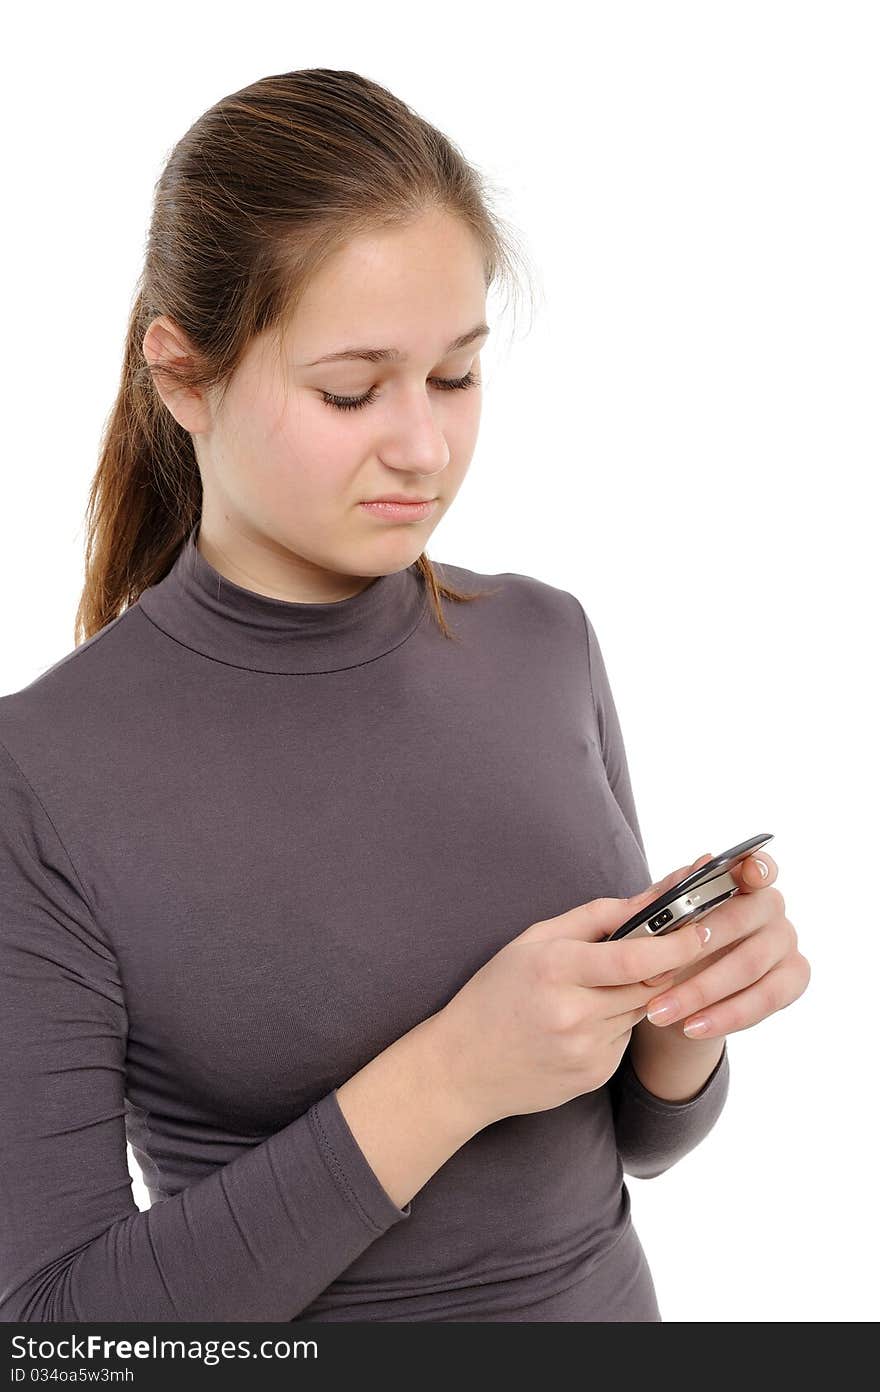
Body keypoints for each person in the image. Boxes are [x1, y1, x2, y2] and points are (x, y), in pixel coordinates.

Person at [0, 68, 809, 1323]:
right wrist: (451, 1073)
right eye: (349, 390)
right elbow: (58, 1335)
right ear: (182, 377)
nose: (423, 448)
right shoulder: (40, 777)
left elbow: (635, 1144)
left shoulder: (545, 639)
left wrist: (686, 1012)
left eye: (455, 376)